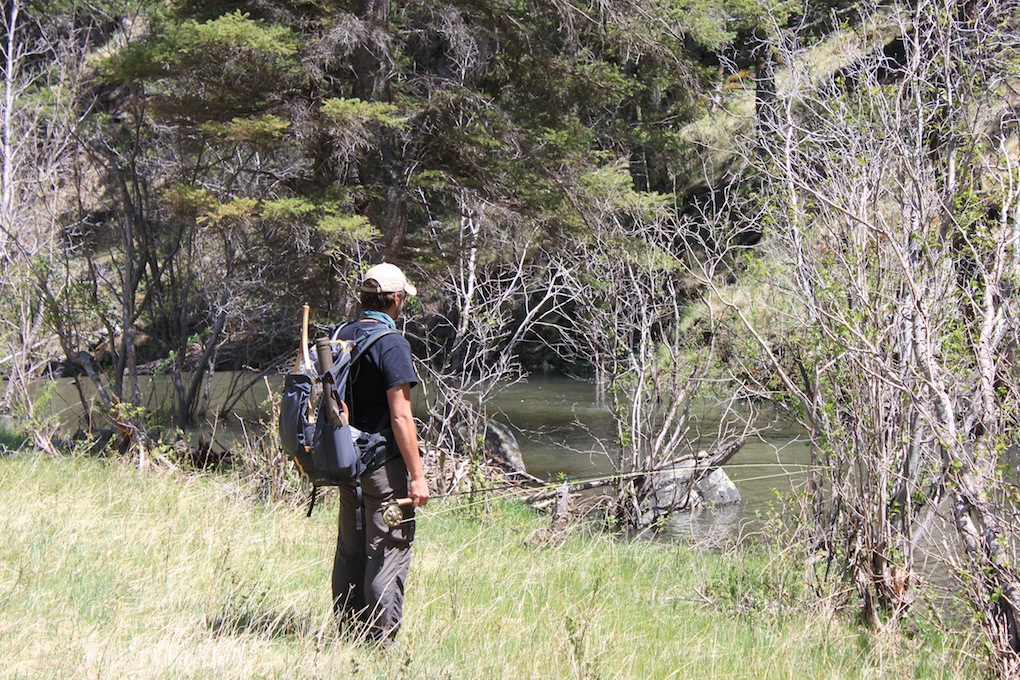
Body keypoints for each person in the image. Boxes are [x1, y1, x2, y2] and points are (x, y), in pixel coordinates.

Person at [332, 262, 429, 645]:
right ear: (395, 300)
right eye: (402, 297)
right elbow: (402, 416)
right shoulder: (392, 343)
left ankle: (347, 634)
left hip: (344, 462)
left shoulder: (341, 335)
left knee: (350, 551)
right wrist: (417, 476)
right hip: (381, 468)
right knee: (388, 551)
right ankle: (380, 646)